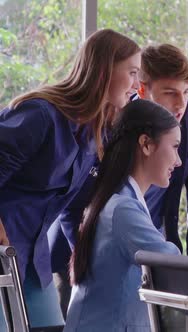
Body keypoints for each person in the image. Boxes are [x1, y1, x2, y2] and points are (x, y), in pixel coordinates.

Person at [48, 43, 188, 315]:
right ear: (142, 89)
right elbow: (73, 200)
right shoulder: (111, 120)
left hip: (146, 246)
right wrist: (90, 259)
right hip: (80, 252)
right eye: (170, 93)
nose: (180, 105)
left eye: (186, 93)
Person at [65, 100, 188, 331]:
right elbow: (172, 271)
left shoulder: (121, 200)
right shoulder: (122, 210)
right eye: (175, 146)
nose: (178, 161)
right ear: (146, 145)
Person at [0, 29, 140, 328]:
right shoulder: (40, 114)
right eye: (131, 73)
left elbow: (74, 208)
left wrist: (85, 253)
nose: (136, 85)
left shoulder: (96, 136)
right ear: (104, 70)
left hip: (33, 262)